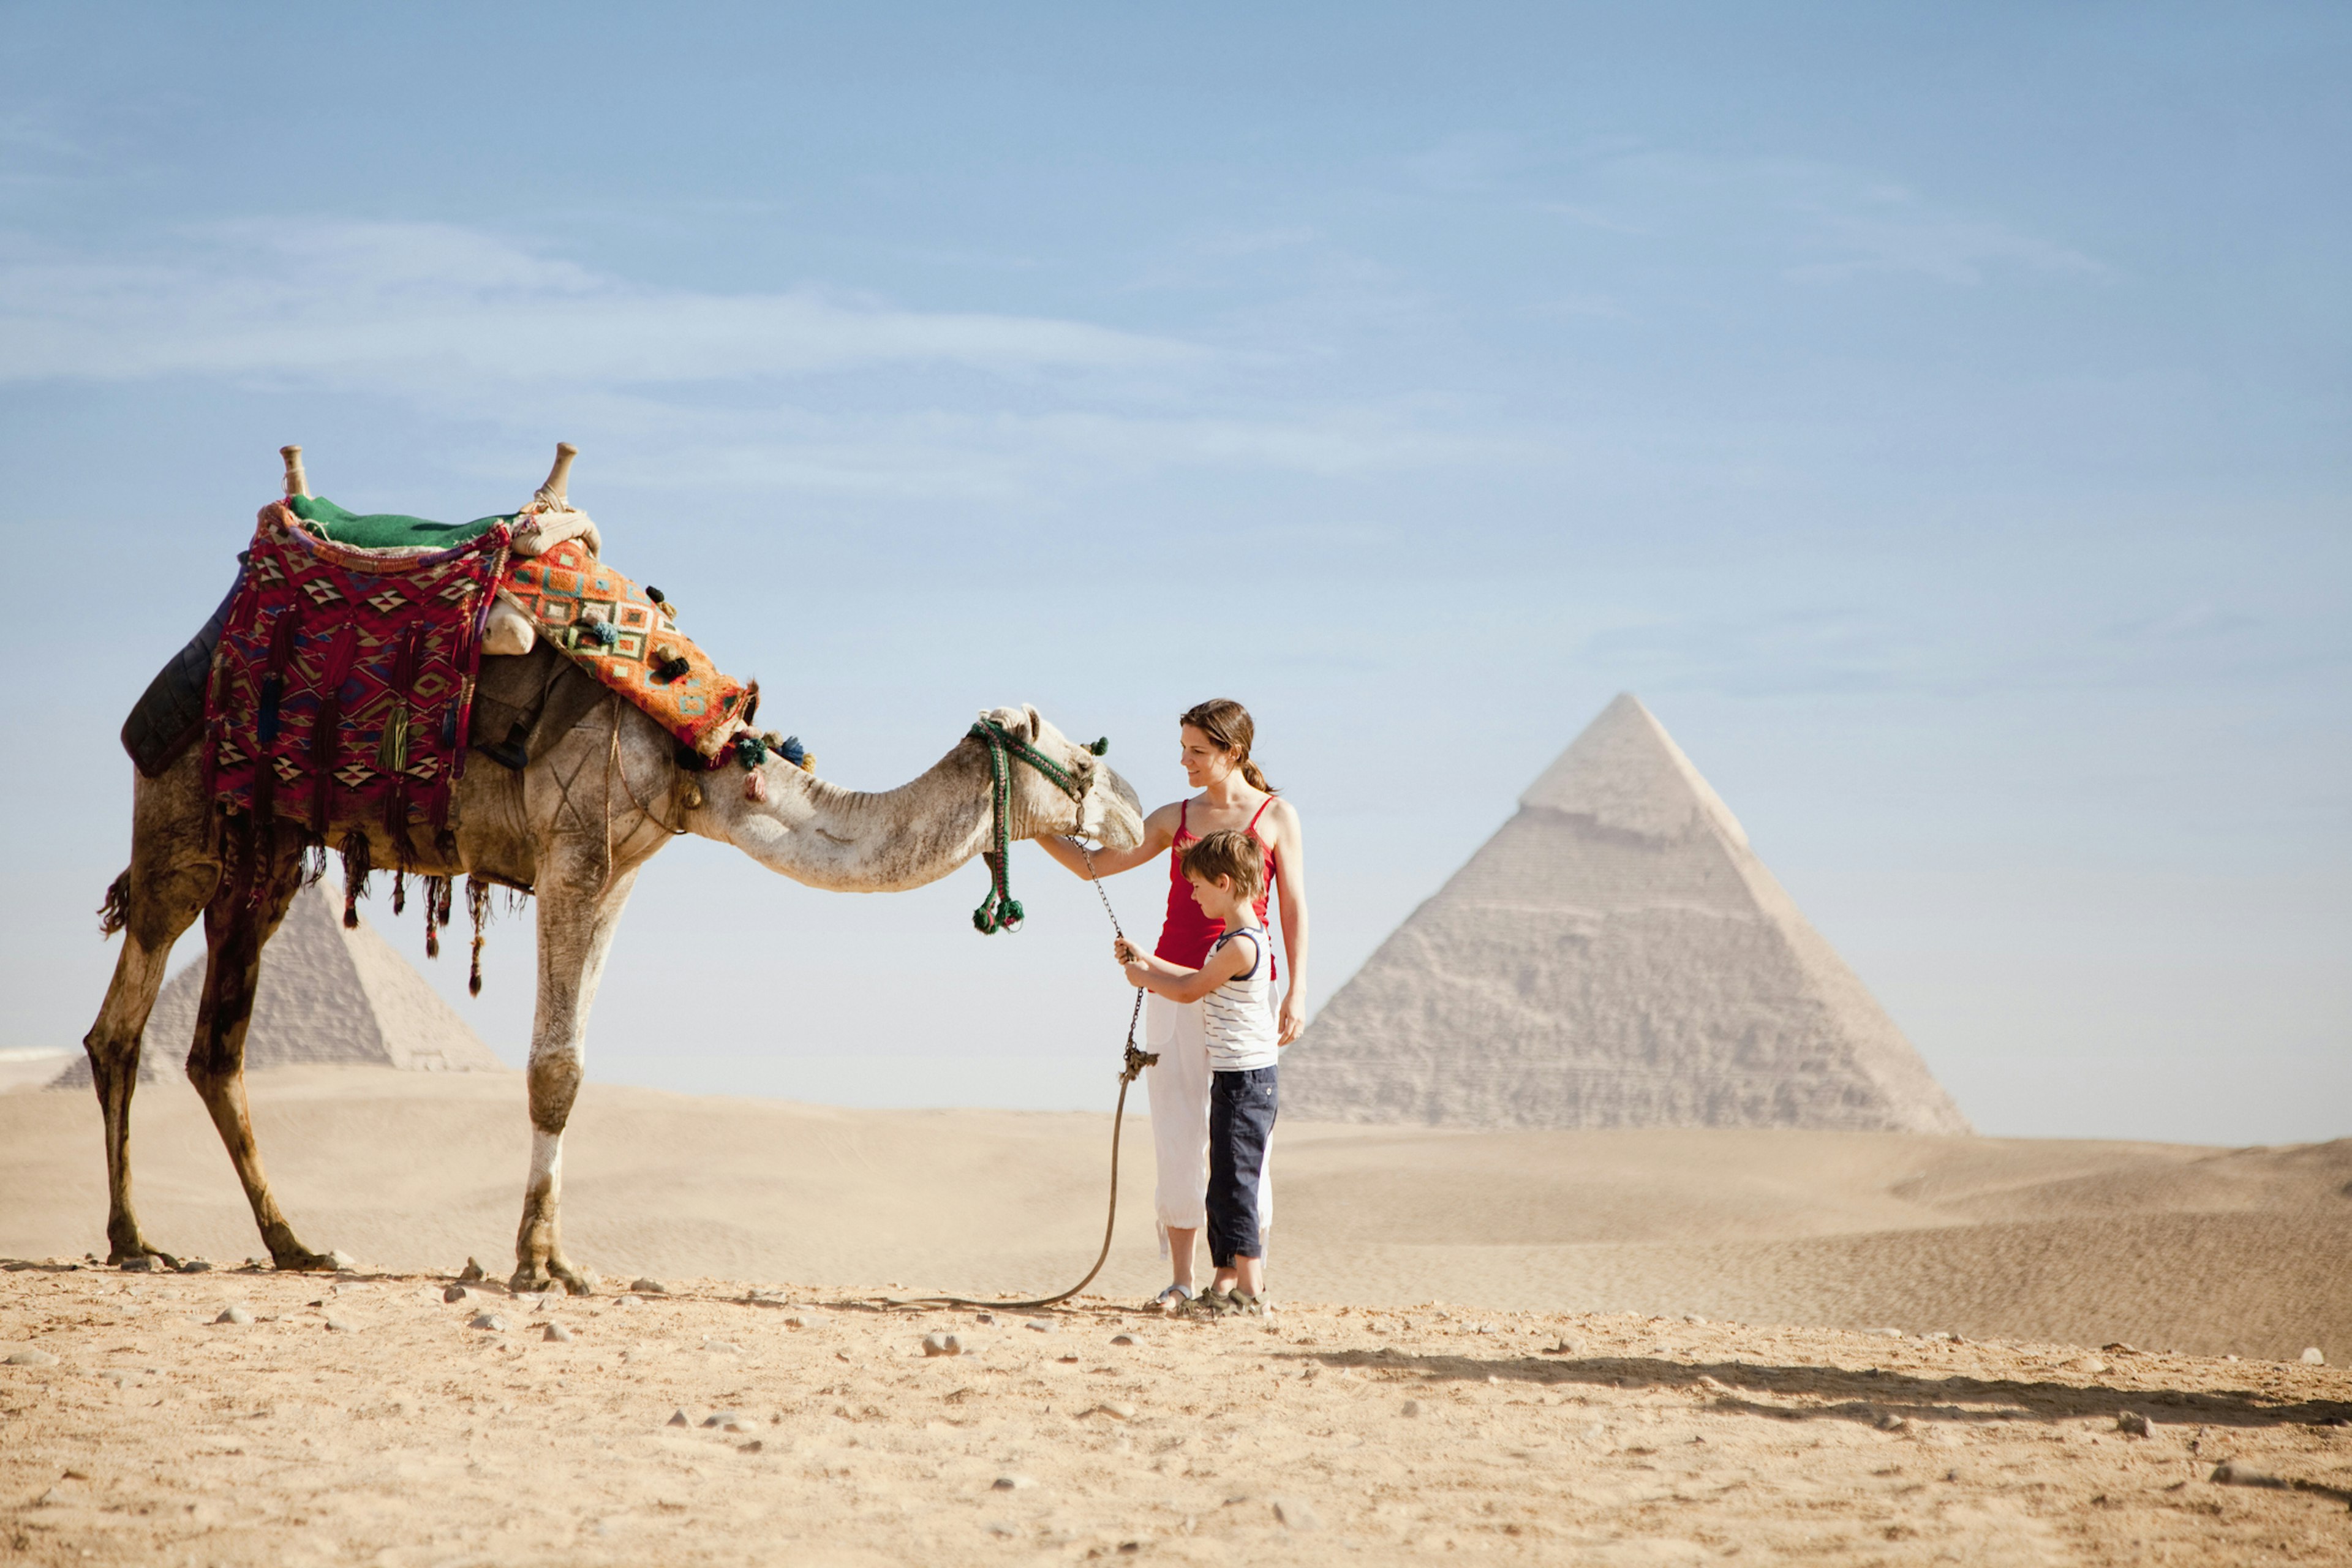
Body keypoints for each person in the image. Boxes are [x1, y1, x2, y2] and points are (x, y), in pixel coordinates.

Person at [1036, 699, 1309, 1310]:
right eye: (1182, 747)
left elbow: (1293, 906)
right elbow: (1094, 865)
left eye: (1197, 750)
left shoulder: (1276, 816)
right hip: (1170, 984)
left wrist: (1298, 988)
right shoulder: (1173, 817)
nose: (1183, 760)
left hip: (1241, 991)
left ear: (1232, 753)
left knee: (1241, 1139)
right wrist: (1032, 828)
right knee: (1178, 1126)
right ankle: (1184, 1280)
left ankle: (1238, 1280)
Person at [1114, 829, 1281, 1314]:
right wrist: (1146, 958)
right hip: (1234, 1080)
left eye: (1198, 887)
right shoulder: (1234, 941)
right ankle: (1227, 1285)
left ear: (1224, 883)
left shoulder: (1243, 947)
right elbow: (1190, 977)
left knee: (1237, 1184)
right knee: (1225, 1182)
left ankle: (1251, 1291)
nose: (1192, 895)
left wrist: (1145, 979)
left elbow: (1190, 990)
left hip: (1247, 1084)